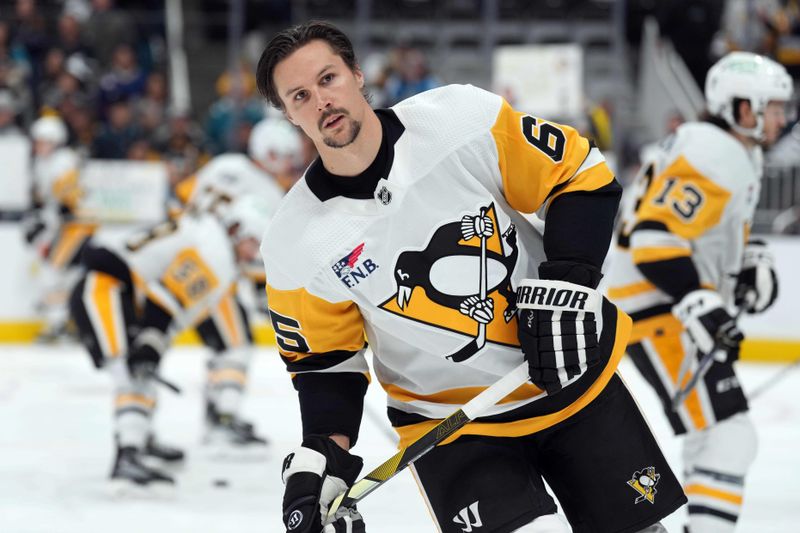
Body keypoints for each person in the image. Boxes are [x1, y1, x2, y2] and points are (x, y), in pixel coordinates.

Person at [256, 21, 686, 533]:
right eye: (300, 95)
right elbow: (326, 366)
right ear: (287, 113)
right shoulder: (293, 243)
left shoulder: (460, 120)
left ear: (356, 73)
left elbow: (580, 178)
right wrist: (322, 457)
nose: (321, 100)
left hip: (568, 378)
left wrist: (568, 284)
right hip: (452, 427)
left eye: (328, 79)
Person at [606, 51, 792, 533]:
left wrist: (747, 259)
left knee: (710, 434)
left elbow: (700, 227)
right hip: (658, 310)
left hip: (652, 308)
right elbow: (653, 237)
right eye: (771, 107)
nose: (781, 118)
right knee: (730, 436)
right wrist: (699, 303)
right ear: (741, 108)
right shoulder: (719, 151)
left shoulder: (721, 146)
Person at [68, 195, 272, 491]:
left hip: (114, 288)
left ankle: (140, 438)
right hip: (104, 289)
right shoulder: (215, 251)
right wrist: (151, 342)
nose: (253, 253)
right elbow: (165, 300)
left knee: (141, 369)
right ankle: (129, 452)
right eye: (252, 242)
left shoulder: (207, 232)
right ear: (236, 228)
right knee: (132, 373)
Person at [170, 119, 300, 449]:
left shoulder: (224, 163)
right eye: (285, 157)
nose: (288, 165)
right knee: (235, 346)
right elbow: (253, 254)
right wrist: (264, 293)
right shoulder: (270, 194)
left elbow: (178, 201)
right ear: (270, 153)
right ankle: (222, 420)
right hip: (215, 275)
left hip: (179, 262)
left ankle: (216, 414)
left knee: (223, 346)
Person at [24, 115, 97, 341]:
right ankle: (72, 320)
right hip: (68, 226)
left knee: (52, 272)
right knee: (69, 275)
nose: (38, 146)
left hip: (77, 225)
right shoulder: (43, 163)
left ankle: (59, 322)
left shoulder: (63, 160)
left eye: (42, 141)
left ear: (54, 140)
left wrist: (43, 221)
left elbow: (68, 203)